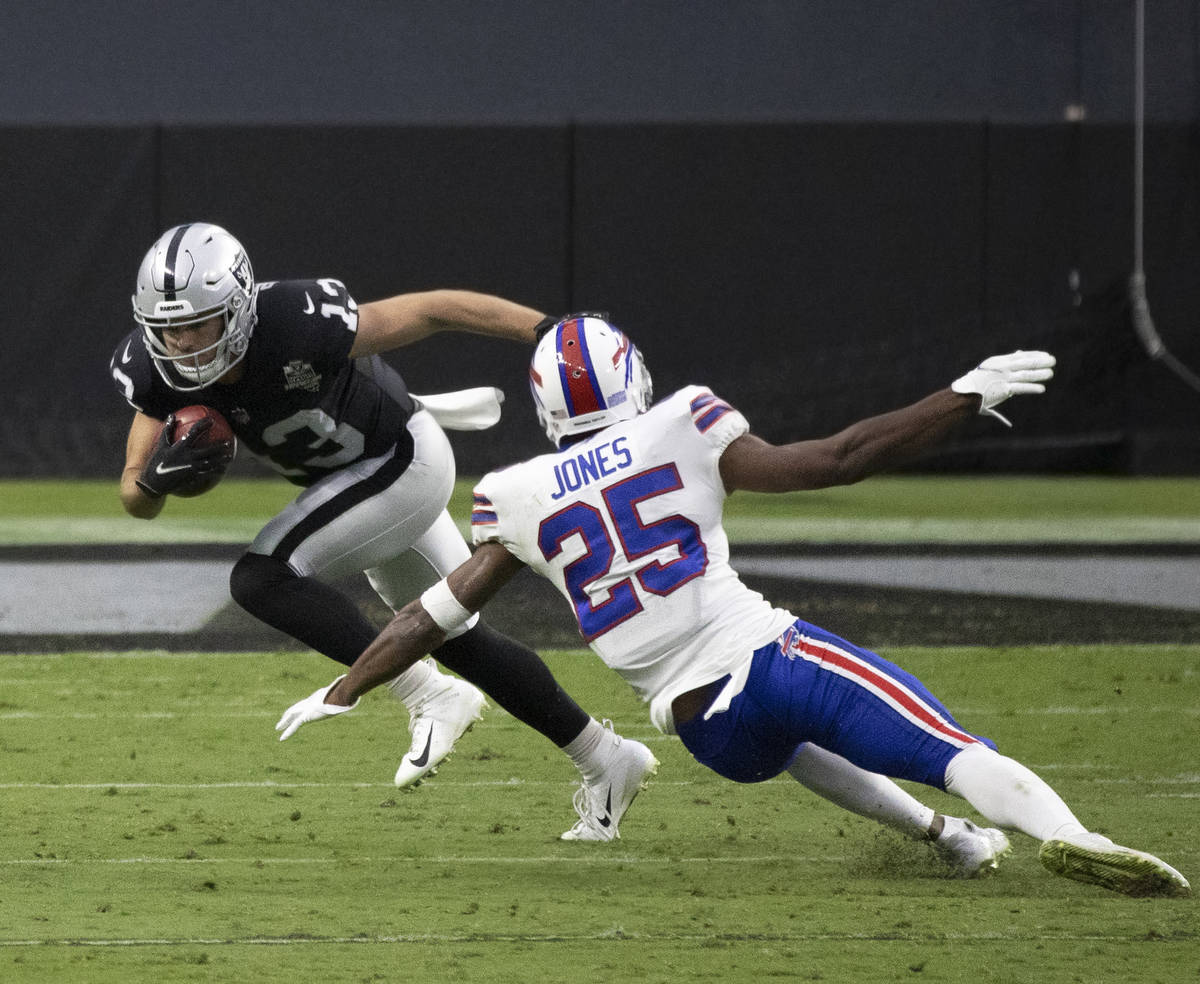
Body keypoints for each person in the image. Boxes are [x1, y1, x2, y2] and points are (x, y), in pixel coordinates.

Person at [278, 314, 1191, 897]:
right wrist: (958, 397)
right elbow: (832, 459)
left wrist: (350, 685)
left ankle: (946, 839)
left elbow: (430, 616)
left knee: (798, 749)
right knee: (943, 745)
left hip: (697, 727)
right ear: (633, 376)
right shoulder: (683, 422)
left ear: (549, 407)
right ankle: (1073, 835)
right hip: (762, 657)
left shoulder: (518, 493)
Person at [110, 225, 657, 840]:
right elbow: (135, 496)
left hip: (402, 458)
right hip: (358, 481)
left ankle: (427, 693)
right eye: (167, 329)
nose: (180, 344)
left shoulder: (296, 319)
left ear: (238, 307)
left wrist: (549, 330)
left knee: (261, 577)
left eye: (197, 325)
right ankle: (607, 759)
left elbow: (431, 310)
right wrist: (158, 480)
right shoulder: (155, 368)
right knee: (454, 634)